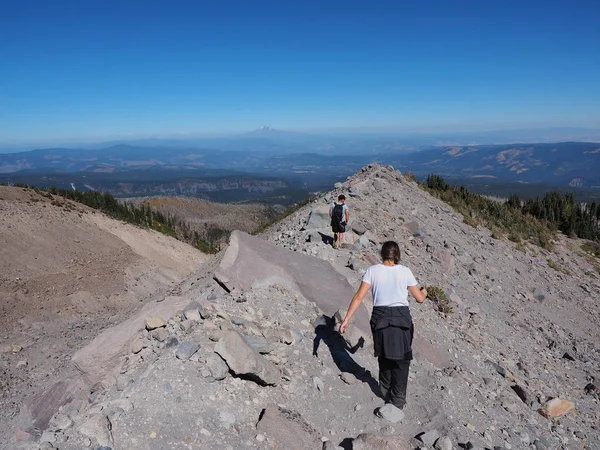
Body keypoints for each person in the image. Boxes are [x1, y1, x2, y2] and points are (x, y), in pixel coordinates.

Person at [339, 241, 428, 411]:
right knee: (402, 359)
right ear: (397, 255)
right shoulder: (405, 271)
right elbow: (420, 298)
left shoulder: (372, 271)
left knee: (384, 354)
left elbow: (358, 297)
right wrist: (425, 291)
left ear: (382, 254)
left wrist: (346, 319)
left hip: (380, 316)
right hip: (401, 316)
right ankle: (398, 399)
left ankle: (384, 389)